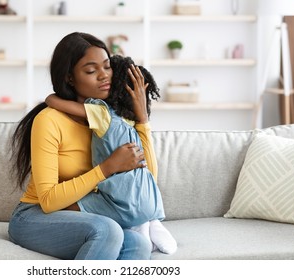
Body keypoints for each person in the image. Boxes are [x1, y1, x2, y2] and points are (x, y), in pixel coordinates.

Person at [9, 32, 154, 260]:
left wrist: (142, 119)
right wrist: (107, 168)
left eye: (107, 67)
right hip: (34, 216)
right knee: (107, 230)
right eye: (90, 70)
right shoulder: (49, 120)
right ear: (69, 78)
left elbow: (146, 183)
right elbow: (48, 202)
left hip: (83, 214)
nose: (104, 76)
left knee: (139, 244)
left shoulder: (112, 121)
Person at [45, 55, 177, 255]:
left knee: (63, 207)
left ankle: (139, 224)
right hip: (150, 202)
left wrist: (51, 97)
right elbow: (150, 171)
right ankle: (149, 223)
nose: (102, 77)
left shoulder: (102, 113)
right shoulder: (133, 124)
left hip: (121, 202)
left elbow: (54, 102)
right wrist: (143, 118)